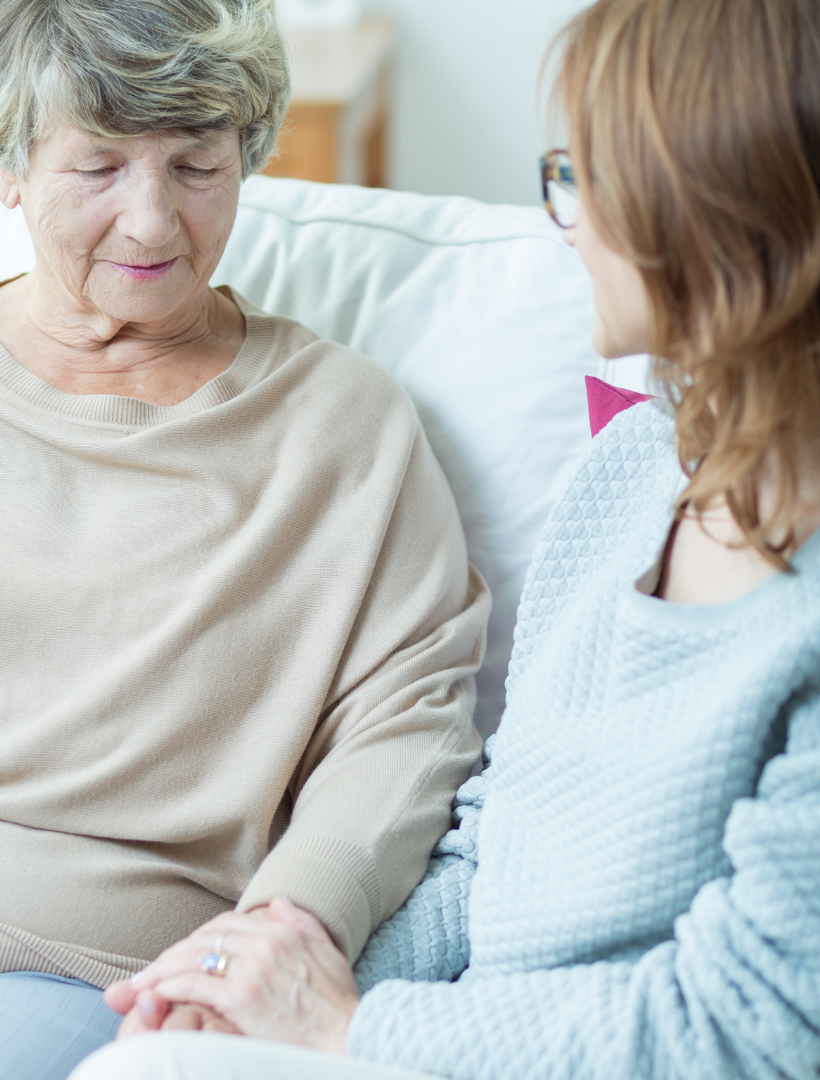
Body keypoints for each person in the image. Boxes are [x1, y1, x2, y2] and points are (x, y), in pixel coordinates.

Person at [0, 1, 491, 1077]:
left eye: (196, 166)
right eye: (98, 168)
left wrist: (292, 923)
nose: (151, 223)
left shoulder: (344, 427)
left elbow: (406, 725)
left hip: (84, 962)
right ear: (8, 165)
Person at [86, 0, 820, 1076]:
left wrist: (349, 1029)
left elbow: (742, 1032)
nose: (564, 221)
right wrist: (282, 976)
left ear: (708, 205)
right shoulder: (635, 466)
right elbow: (496, 837)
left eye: (580, 175)